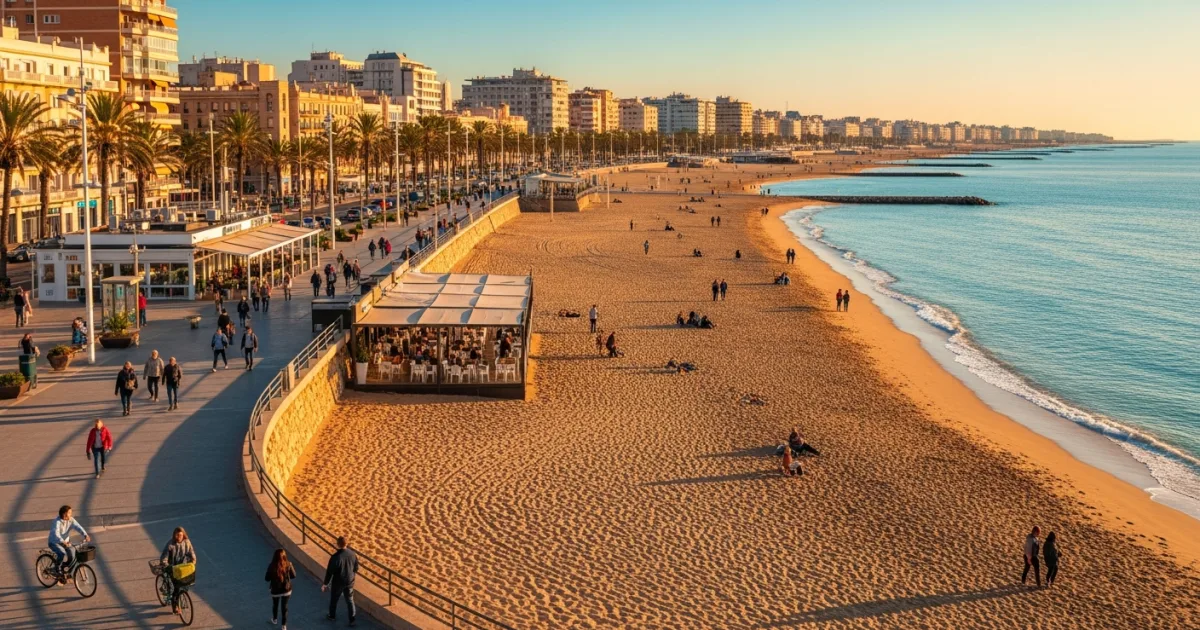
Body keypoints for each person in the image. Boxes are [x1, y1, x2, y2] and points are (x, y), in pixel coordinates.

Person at [322, 536, 358, 625]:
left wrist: (325, 584)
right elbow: (356, 568)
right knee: (350, 600)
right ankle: (352, 619)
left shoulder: (335, 557)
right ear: (347, 543)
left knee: (334, 599)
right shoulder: (353, 554)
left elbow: (330, 572)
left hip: (338, 582)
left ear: (338, 545)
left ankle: (332, 615)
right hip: (349, 581)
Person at [160, 527, 197, 614]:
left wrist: (193, 560)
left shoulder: (187, 542)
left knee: (184, 584)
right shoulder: (170, 545)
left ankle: (180, 596)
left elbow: (191, 552)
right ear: (174, 535)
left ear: (183, 534)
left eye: (180, 535)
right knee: (175, 589)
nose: (179, 537)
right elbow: (163, 558)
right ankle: (175, 607)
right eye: (177, 535)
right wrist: (167, 566)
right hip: (172, 567)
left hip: (182, 567)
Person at [49, 505, 90, 581]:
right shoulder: (57, 522)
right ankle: (56, 569)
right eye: (69, 512)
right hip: (54, 542)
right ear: (65, 514)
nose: (71, 514)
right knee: (62, 552)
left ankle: (66, 572)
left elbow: (78, 527)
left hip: (66, 542)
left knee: (72, 555)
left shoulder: (71, 520)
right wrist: (63, 541)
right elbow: (56, 534)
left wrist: (85, 535)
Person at [266, 549, 296, 629]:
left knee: (275, 605)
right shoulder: (289, 564)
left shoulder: (271, 566)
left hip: (275, 590)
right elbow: (293, 576)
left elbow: (267, 578)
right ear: (284, 556)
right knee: (284, 607)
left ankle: (275, 619)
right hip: (286, 589)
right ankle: (284, 626)